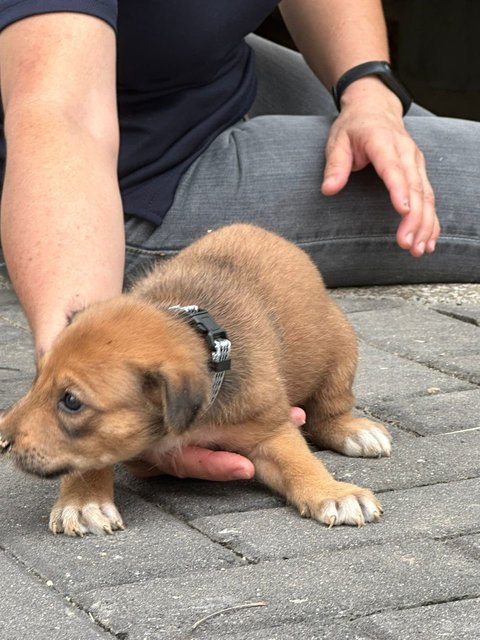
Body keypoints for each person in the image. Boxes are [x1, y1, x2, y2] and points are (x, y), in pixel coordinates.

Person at [0, 1, 478, 482]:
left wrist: (369, 91)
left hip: (210, 69)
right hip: (139, 173)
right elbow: (62, 115)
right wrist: (72, 347)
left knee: (413, 126)